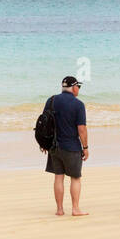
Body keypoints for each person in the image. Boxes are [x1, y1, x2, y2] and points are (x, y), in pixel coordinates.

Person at [42, 76, 88, 216]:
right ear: (74, 87)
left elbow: (44, 124)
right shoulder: (78, 104)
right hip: (71, 146)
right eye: (78, 87)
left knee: (58, 177)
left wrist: (44, 143)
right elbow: (81, 129)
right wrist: (85, 147)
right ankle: (75, 209)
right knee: (75, 178)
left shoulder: (51, 100)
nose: (78, 89)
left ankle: (60, 209)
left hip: (54, 147)